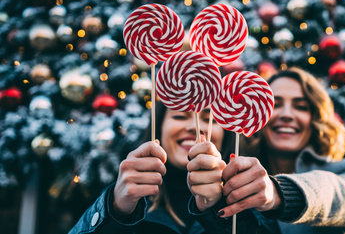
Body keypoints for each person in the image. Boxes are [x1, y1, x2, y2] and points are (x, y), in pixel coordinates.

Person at [188, 67, 345, 234]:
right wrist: (212, 205)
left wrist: (277, 192)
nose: (287, 115)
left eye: (301, 106)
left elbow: (342, 196)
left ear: (317, 118)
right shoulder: (233, 181)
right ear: (254, 111)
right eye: (276, 104)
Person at [69, 100, 234, 234]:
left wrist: (226, 217)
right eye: (179, 116)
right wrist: (115, 212)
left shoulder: (245, 201)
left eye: (209, 119)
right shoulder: (126, 199)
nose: (193, 126)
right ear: (159, 125)